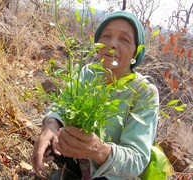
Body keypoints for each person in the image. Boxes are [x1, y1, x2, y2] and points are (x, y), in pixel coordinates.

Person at [31, 11, 159, 180]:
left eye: (124, 39)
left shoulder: (144, 92)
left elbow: (137, 159)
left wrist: (98, 150)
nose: (112, 44)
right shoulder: (89, 73)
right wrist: (50, 125)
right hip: (74, 165)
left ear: (136, 53)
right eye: (106, 36)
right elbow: (62, 104)